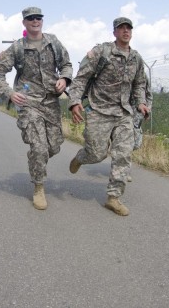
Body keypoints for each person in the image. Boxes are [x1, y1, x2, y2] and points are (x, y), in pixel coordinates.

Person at [0, 7, 73, 210]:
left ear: (42, 21)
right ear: (24, 23)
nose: (35, 21)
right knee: (39, 147)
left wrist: (64, 78)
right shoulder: (18, 47)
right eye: (31, 19)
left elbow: (67, 64)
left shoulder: (53, 42)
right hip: (28, 103)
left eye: (38, 18)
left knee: (54, 146)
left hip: (51, 102)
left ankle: (38, 158)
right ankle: (38, 187)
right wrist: (9, 93)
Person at [67, 17, 150, 216]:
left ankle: (114, 197)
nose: (125, 31)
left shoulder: (136, 58)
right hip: (99, 110)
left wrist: (140, 102)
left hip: (124, 113)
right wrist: (75, 101)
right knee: (97, 154)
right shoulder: (101, 52)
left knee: (123, 154)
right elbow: (81, 78)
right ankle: (81, 157)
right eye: (121, 28)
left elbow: (139, 84)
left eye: (128, 28)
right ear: (114, 32)